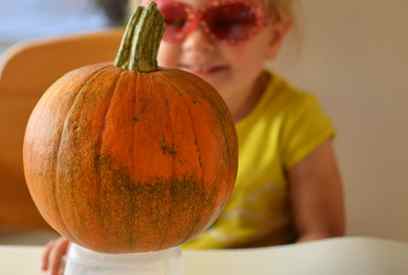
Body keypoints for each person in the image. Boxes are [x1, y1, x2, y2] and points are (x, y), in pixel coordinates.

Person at [41, 0, 345, 273]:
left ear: (274, 38)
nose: (197, 43)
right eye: (172, 19)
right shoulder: (127, 119)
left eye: (231, 20)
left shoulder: (295, 117)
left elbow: (324, 236)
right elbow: (105, 204)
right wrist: (90, 242)